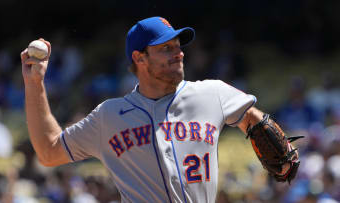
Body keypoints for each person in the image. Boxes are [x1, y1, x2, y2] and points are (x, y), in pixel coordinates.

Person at [20, 16, 296, 202]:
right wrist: (35, 83)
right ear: (139, 58)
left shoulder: (212, 93)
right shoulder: (109, 116)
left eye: (178, 46)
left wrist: (278, 149)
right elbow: (48, 150)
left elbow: (252, 118)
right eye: (166, 48)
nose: (179, 53)